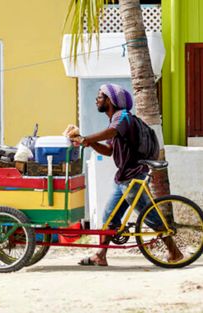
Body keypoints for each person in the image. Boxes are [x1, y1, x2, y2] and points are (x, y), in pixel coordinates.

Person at [70, 83, 183, 266]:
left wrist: (87, 138)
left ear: (110, 100)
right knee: (109, 216)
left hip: (133, 176)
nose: (96, 99)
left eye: (100, 96)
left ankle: (174, 252)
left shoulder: (122, 117)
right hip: (123, 178)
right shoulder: (115, 120)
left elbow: (112, 132)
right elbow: (108, 150)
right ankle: (101, 255)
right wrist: (87, 142)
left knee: (150, 215)